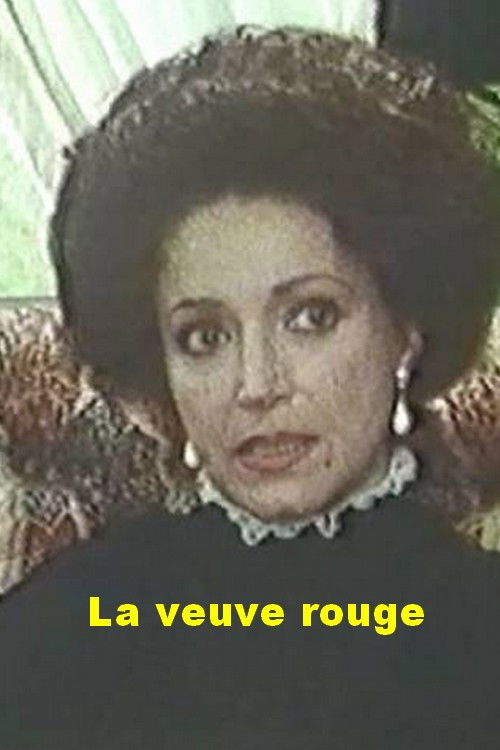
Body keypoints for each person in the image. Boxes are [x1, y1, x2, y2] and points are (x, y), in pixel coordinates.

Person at [1, 27, 500, 749]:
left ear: (407, 330)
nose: (256, 385)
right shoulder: (68, 628)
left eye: (311, 317)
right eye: (204, 337)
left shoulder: (478, 630)